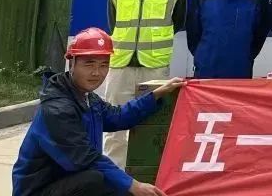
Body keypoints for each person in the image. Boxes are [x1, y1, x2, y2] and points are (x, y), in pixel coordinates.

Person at [12, 27, 184, 196]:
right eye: (89, 64)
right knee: (98, 180)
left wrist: (155, 95)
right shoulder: (57, 109)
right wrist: (132, 185)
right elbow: (85, 159)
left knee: (110, 182)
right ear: (72, 63)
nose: (97, 73)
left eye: (104, 65)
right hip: (39, 190)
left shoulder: (86, 97)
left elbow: (118, 117)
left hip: (67, 182)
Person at [103, 0, 186, 167]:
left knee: (152, 124)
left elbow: (178, 21)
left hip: (154, 68)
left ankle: (147, 172)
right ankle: (114, 175)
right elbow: (113, 22)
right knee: (114, 124)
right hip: (120, 66)